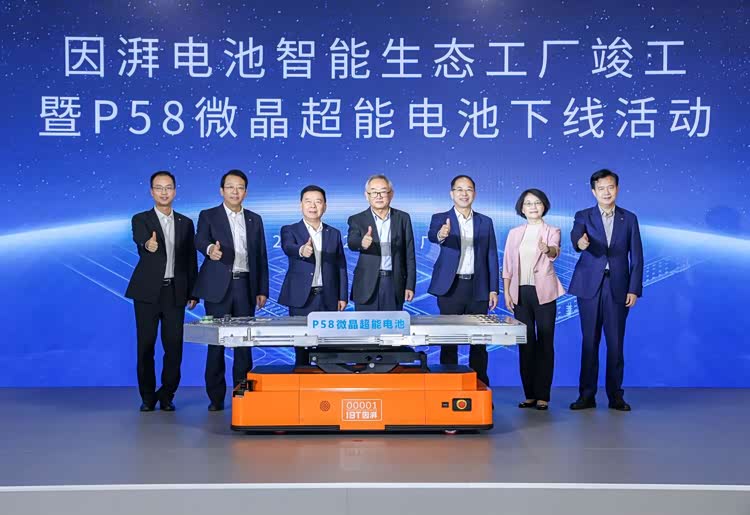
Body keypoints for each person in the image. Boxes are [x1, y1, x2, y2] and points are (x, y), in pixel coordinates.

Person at [192, 169, 269, 411]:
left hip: (245, 286)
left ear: (245, 191)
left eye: (240, 187)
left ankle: (242, 394)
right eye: (230, 187)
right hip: (218, 288)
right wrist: (209, 250)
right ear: (221, 190)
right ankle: (215, 398)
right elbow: (199, 239)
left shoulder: (254, 219)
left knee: (244, 345)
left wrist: (262, 289)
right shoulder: (208, 215)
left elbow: (261, 256)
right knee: (216, 344)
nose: (235, 191)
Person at [568, 169, 643, 412]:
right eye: (601, 188)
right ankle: (586, 395)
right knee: (589, 342)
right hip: (589, 286)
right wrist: (580, 243)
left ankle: (615, 396)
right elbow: (576, 238)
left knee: (615, 343)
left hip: (618, 286)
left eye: (610, 187)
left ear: (617, 189)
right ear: (593, 192)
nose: (606, 192)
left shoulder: (629, 218)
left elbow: (637, 256)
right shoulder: (583, 215)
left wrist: (634, 288)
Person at [125, 171, 198, 412]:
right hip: (147, 293)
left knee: (174, 347)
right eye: (159, 188)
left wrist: (193, 292)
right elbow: (141, 240)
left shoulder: (185, 223)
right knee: (146, 346)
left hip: (175, 292)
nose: (164, 192)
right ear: (151, 192)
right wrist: (148, 244)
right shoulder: (141, 219)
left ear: (175, 191)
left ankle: (167, 395)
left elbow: (190, 260)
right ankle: (147, 397)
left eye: (168, 187)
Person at [427, 175, 499, 387]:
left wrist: (493, 289)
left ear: (474, 194)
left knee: (479, 343)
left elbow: (491, 255)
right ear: (452, 194)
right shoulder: (441, 218)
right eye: (459, 189)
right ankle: (448, 388)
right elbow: (433, 235)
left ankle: (480, 387)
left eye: (468, 189)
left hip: (478, 287)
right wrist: (442, 234)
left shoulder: (485, 221)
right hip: (450, 288)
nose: (464, 193)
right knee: (449, 341)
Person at [502, 189, 565, 410]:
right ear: (522, 208)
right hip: (520, 293)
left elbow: (554, 251)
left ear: (544, 206)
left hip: (544, 293)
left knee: (545, 343)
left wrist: (547, 249)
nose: (533, 207)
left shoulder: (552, 230)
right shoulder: (514, 233)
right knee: (526, 343)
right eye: (528, 203)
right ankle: (529, 394)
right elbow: (508, 264)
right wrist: (507, 292)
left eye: (537, 203)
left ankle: (543, 396)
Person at [278, 185, 348, 366]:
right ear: (300, 205)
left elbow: (341, 265)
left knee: (328, 348)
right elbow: (288, 247)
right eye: (308, 201)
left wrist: (342, 296)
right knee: (302, 349)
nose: (313, 206)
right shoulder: (290, 230)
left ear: (325, 206)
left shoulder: (334, 233)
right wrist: (301, 250)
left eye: (318, 201)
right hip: (302, 298)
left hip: (328, 297)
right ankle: (302, 378)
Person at [347, 174, 416, 311]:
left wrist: (410, 285)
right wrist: (362, 243)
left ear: (391, 194)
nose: (378, 196)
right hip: (366, 284)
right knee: (365, 324)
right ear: (366, 195)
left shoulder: (403, 218)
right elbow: (352, 242)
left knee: (392, 324)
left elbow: (409, 254)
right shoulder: (357, 219)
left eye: (383, 191)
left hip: (394, 283)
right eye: (374, 192)